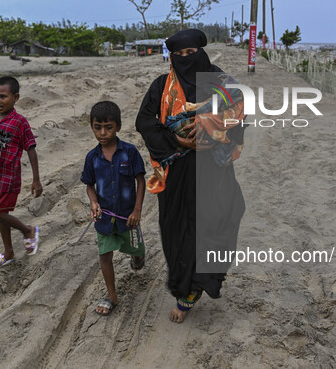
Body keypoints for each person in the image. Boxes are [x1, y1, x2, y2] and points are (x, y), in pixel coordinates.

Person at [136, 29, 245, 323]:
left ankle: (199, 283)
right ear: (171, 57)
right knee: (178, 230)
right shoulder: (161, 86)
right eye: (179, 55)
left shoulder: (224, 84)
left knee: (219, 220)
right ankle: (186, 288)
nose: (186, 59)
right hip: (177, 172)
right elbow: (144, 121)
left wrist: (210, 129)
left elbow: (241, 116)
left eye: (191, 53)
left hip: (214, 170)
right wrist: (179, 141)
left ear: (202, 51)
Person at [81, 101, 146, 316]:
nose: (102, 132)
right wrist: (93, 202)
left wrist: (137, 210)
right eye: (97, 127)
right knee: (105, 255)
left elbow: (141, 181)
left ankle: (137, 258)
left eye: (108, 127)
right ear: (91, 126)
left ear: (118, 126)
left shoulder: (129, 152)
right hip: (104, 218)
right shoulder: (92, 157)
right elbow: (89, 185)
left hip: (128, 218)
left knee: (137, 252)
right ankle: (112, 295)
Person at [0, 76, 42, 268]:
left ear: (15, 97)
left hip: (8, 178)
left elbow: (31, 148)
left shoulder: (19, 122)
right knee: (1, 213)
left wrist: (36, 180)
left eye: (3, 97)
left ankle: (27, 230)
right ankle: (8, 253)